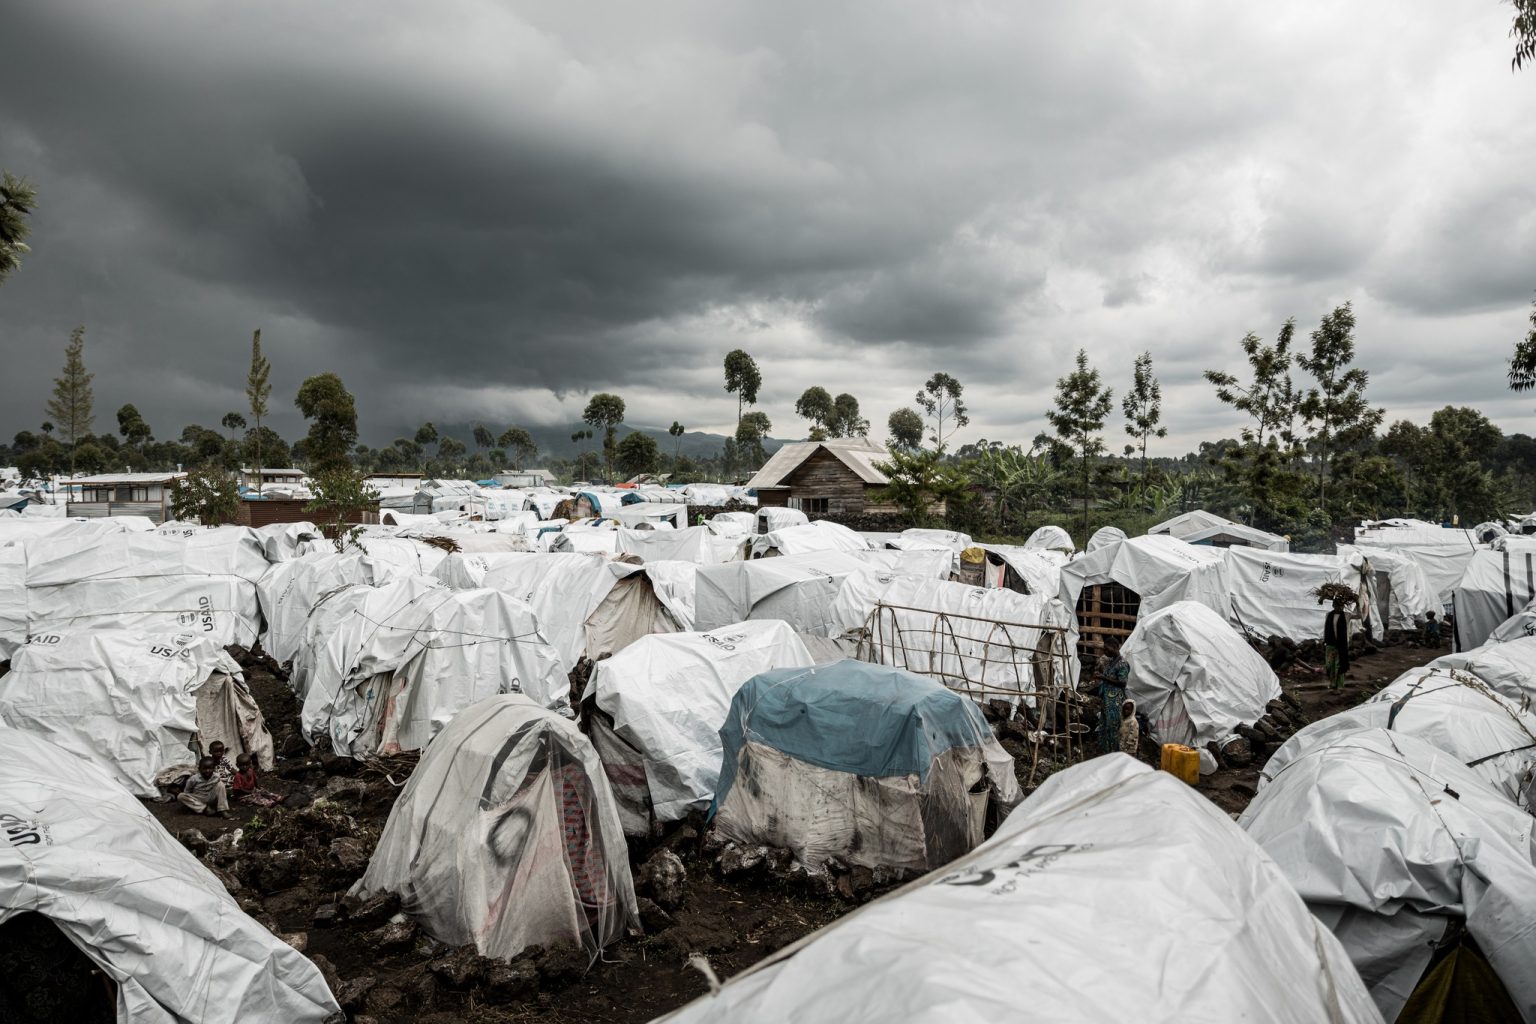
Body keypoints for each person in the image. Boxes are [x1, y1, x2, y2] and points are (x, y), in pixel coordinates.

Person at [1096, 637, 1130, 755]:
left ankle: (1114, 754)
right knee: (1105, 725)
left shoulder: (1122, 664)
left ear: (1115, 648)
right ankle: (1105, 752)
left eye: (1107, 649)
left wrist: (1103, 677)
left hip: (1115, 701)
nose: (1105, 651)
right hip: (1107, 699)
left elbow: (1122, 682)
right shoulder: (1111, 662)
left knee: (1113, 727)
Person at [1323, 598, 1352, 690]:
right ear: (1333, 605)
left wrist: (1358, 604)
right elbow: (1326, 628)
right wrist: (1324, 640)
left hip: (1341, 645)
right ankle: (1332, 683)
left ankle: (1339, 685)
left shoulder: (1347, 615)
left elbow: (1360, 615)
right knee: (1329, 665)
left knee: (1339, 665)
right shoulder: (1329, 615)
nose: (1340, 608)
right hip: (1330, 643)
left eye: (1341, 606)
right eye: (1337, 605)